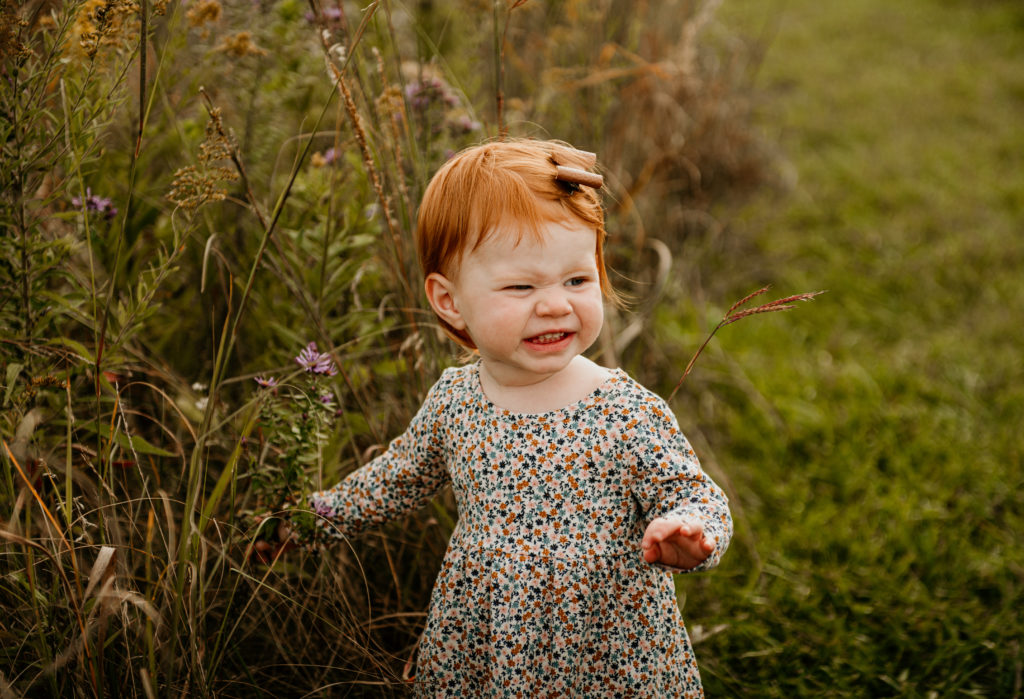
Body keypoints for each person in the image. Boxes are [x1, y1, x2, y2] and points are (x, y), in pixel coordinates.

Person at [305, 139, 732, 697]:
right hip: (487, 644)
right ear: (450, 301)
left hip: (608, 649)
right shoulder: (457, 400)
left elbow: (695, 494)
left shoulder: (626, 411)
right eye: (521, 286)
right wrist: (313, 520)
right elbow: (399, 476)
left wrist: (691, 531)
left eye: (576, 280)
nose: (555, 304)